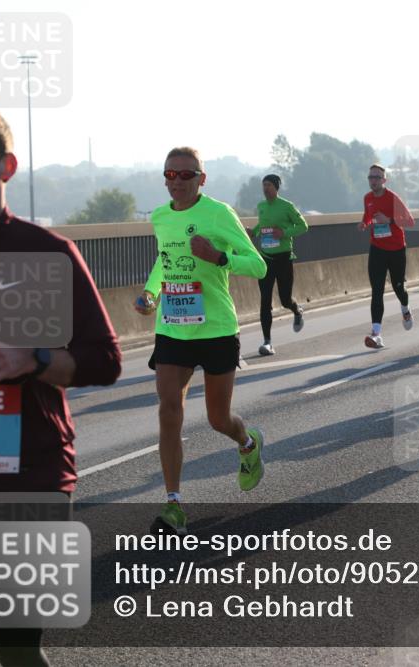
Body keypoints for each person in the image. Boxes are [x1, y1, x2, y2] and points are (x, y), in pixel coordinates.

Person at [0, 99, 122, 667]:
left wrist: (31, 358)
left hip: (29, 477)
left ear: (5, 166)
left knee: (17, 650)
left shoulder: (45, 252)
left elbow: (105, 360)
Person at [134, 146, 268, 535]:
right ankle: (174, 505)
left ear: (201, 179)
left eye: (185, 175)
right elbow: (165, 260)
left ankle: (246, 443)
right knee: (168, 411)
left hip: (216, 330)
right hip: (173, 328)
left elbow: (258, 265)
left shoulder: (218, 214)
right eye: (169, 175)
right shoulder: (160, 217)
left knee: (217, 418)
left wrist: (219, 258)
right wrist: (150, 293)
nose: (176, 182)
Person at [251, 174, 309, 356]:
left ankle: (296, 310)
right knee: (265, 300)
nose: (265, 189)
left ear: (276, 187)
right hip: (266, 259)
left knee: (285, 299)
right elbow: (262, 226)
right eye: (263, 185)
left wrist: (283, 233)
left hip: (284, 258)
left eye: (268, 185)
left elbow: (303, 226)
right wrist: (252, 232)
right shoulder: (261, 206)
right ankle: (267, 342)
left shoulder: (287, 206)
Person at [359, 164, 416, 348]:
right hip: (377, 249)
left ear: (384, 180)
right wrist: (364, 223)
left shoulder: (392, 198)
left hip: (396, 250)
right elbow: (369, 216)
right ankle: (376, 334)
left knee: (399, 287)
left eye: (377, 177)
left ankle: (405, 309)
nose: (373, 180)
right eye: (370, 177)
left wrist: (390, 220)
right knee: (377, 291)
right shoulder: (367, 198)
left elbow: (410, 221)